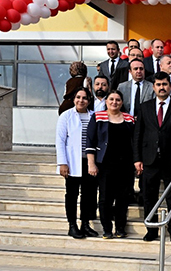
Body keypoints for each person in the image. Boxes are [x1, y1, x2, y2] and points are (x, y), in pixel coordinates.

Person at [133, 72, 171, 243]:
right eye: (158, 84)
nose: (162, 87)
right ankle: (151, 230)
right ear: (153, 87)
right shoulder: (144, 107)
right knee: (149, 196)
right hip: (149, 160)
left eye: (165, 84)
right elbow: (138, 135)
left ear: (170, 86)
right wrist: (137, 159)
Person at [86, 90, 135, 239]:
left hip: (125, 165)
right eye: (111, 99)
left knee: (123, 198)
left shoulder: (129, 119)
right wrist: (91, 163)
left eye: (118, 100)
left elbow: (134, 141)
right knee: (105, 198)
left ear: (122, 102)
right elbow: (90, 141)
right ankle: (107, 229)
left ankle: (120, 228)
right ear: (106, 102)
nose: (115, 102)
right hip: (105, 164)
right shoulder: (98, 117)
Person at [56, 87, 98, 239]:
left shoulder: (94, 116)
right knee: (72, 194)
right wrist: (62, 163)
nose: (81, 100)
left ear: (89, 100)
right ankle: (72, 225)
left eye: (84, 98)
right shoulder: (66, 116)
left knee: (88, 195)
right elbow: (60, 141)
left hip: (89, 162)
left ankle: (85, 224)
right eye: (78, 97)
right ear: (74, 99)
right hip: (72, 161)